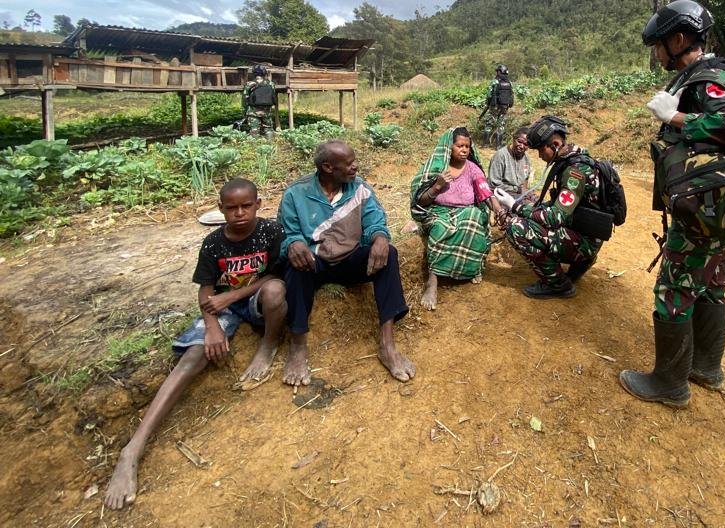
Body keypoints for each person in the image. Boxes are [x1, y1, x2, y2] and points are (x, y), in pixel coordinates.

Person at [104, 178, 287, 510]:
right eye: (231, 208)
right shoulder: (214, 243)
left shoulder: (272, 232)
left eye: (246, 206)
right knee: (193, 356)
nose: (240, 213)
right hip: (222, 308)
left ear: (259, 204)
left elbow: (276, 276)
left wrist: (232, 294)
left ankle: (268, 346)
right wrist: (213, 327)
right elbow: (205, 290)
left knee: (276, 294)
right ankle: (133, 448)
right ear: (221, 210)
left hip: (254, 299)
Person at [620, 0, 725, 408]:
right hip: (719, 206)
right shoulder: (706, 75)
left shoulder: (706, 79)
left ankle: (670, 383)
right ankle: (706, 367)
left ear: (678, 39)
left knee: (674, 288)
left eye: (658, 45)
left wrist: (678, 120)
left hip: (702, 209)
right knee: (711, 283)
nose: (656, 53)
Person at [277, 140, 415, 386]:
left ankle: (387, 344)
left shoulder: (360, 188)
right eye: (349, 163)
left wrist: (380, 238)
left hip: (350, 260)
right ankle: (298, 346)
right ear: (328, 167)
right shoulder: (296, 194)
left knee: (389, 254)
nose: (355, 167)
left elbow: (375, 221)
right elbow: (288, 232)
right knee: (294, 268)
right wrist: (294, 243)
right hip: (314, 263)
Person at [499, 115, 605, 300]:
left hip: (585, 241)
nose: (539, 156)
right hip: (585, 233)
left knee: (516, 228)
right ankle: (580, 262)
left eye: (541, 150)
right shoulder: (574, 159)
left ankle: (558, 285)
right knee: (533, 214)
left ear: (555, 144)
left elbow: (554, 217)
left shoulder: (575, 171)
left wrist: (515, 206)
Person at [411, 127, 505, 310]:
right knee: (440, 227)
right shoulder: (436, 168)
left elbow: (486, 193)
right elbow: (421, 201)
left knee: (474, 218)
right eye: (459, 146)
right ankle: (433, 281)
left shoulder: (473, 169)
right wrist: (437, 186)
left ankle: (472, 269)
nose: (464, 150)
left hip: (465, 211)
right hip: (438, 212)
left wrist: (499, 211)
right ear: (449, 147)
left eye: (467, 146)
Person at [487, 126, 533, 197]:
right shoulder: (501, 155)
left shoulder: (526, 158)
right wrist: (517, 189)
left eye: (526, 144)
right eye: (519, 141)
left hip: (519, 193)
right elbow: (493, 184)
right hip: (503, 194)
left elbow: (526, 179)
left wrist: (525, 192)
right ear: (513, 139)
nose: (521, 146)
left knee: (538, 204)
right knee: (525, 207)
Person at [481, 64, 514, 147]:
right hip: (504, 106)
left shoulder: (495, 81)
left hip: (494, 106)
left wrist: (488, 104)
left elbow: (489, 94)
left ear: (499, 72)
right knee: (501, 125)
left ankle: (486, 144)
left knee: (489, 123)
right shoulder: (509, 82)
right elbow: (511, 95)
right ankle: (498, 145)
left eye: (497, 71)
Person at [242, 65, 278, 137]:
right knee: (268, 129)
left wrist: (244, 111)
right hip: (267, 112)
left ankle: (255, 146)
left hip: (253, 112)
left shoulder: (249, 84)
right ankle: (270, 144)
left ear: (254, 73)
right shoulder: (271, 84)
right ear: (264, 73)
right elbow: (273, 96)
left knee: (254, 130)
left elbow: (245, 99)